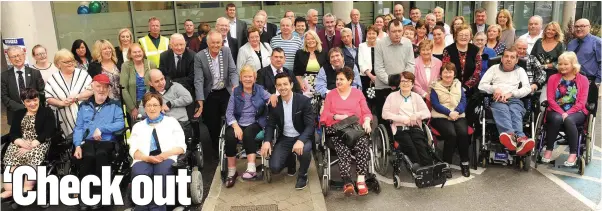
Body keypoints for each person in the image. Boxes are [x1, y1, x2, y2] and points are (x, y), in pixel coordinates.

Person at [72, 74, 125, 210]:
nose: (101, 89)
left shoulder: (115, 104)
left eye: (105, 87)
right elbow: (78, 127)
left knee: (101, 154)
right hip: (88, 141)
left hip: (107, 141)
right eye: (98, 86)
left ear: (108, 89)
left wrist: (101, 128)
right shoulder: (84, 105)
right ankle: (85, 193)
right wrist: (77, 145)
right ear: (92, 86)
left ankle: (102, 193)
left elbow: (120, 124)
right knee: (88, 156)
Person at [129, 92, 186, 211]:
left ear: (161, 106)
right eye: (149, 105)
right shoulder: (138, 126)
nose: (152, 108)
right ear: (144, 108)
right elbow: (133, 150)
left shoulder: (171, 122)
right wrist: (147, 158)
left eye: (155, 105)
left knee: (162, 175)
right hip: (144, 158)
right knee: (140, 173)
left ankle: (157, 208)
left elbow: (181, 146)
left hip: (166, 157)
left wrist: (163, 155)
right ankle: (142, 207)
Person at [320, 67, 373, 196]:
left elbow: (366, 111)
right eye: (337, 79)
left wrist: (366, 121)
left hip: (355, 129)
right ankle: (347, 181)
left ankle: (361, 180)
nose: (338, 81)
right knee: (342, 147)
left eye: (341, 79)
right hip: (336, 129)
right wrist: (337, 117)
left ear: (350, 80)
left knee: (362, 143)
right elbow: (324, 115)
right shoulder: (331, 94)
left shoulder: (358, 94)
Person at [478, 47, 535, 156]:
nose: (509, 59)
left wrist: (512, 93)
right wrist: (495, 89)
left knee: (515, 110)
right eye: (506, 56)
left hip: (514, 99)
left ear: (517, 60)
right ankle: (513, 137)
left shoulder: (520, 70)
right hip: (498, 100)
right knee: (503, 109)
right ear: (502, 58)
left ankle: (520, 138)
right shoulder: (494, 69)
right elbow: (482, 85)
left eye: (512, 57)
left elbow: (527, 88)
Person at [261, 73, 314, 189]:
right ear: (276, 87)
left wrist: (301, 140)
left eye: (285, 84)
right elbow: (270, 125)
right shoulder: (275, 103)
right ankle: (291, 162)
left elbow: (310, 125)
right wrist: (267, 141)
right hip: (285, 137)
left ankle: (303, 175)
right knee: (274, 168)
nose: (282, 87)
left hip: (301, 135)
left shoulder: (303, 101)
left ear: (291, 85)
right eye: (279, 85)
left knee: (304, 150)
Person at [223, 66, 273, 186]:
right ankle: (232, 172)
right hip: (238, 122)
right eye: (245, 76)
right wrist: (235, 126)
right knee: (229, 136)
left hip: (255, 121)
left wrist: (274, 97)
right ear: (241, 78)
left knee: (249, 133)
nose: (248, 79)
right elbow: (229, 112)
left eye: (250, 76)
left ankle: (251, 169)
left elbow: (270, 98)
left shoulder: (260, 90)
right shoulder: (235, 92)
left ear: (254, 78)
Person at [1, 88, 55, 199]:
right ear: (23, 102)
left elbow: (49, 131)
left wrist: (31, 145)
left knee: (33, 155)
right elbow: (14, 133)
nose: (32, 103)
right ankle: (10, 190)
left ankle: (27, 186)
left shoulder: (46, 112)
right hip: (21, 142)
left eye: (35, 100)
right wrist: (20, 142)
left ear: (39, 99)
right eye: (28, 101)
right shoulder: (19, 113)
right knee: (12, 155)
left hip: (39, 142)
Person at [193, 30, 239, 154]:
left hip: (226, 91)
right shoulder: (199, 56)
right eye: (213, 42)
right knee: (212, 123)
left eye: (218, 42)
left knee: (230, 119)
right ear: (207, 43)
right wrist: (200, 101)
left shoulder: (226, 51)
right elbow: (198, 80)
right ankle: (216, 149)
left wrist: (235, 85)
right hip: (210, 93)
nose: (216, 45)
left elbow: (233, 71)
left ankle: (230, 146)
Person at [541, 52, 590, 166]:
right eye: (560, 64)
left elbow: (582, 102)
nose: (562, 67)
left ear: (573, 64)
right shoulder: (553, 78)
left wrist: (568, 113)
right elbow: (551, 99)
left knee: (569, 119)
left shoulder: (583, 80)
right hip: (555, 110)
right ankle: (549, 149)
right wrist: (562, 112)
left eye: (566, 64)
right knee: (557, 118)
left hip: (576, 111)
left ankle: (573, 153)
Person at [382, 72, 432, 168]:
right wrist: (401, 118)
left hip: (414, 126)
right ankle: (417, 167)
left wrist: (416, 115)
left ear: (412, 84)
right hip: (399, 128)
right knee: (409, 145)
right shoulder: (391, 97)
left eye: (408, 81)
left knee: (421, 145)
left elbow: (427, 113)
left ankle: (428, 168)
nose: (405, 83)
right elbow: (385, 114)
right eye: (403, 81)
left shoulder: (416, 97)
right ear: (399, 83)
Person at [429, 63, 470, 177]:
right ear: (441, 74)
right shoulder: (435, 87)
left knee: (463, 133)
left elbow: (463, 101)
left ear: (454, 74)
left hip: (458, 115)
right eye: (445, 72)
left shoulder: (458, 85)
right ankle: (446, 165)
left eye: (450, 72)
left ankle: (465, 163)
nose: (448, 74)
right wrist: (449, 113)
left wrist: (456, 111)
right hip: (440, 116)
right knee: (451, 135)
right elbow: (435, 104)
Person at [374, 19, 415, 125]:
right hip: (384, 87)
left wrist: (400, 82)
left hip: (403, 86)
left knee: (402, 117)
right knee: (384, 119)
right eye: (394, 31)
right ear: (387, 32)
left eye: (399, 31)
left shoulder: (407, 43)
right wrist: (391, 82)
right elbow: (378, 68)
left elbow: (410, 65)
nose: (397, 34)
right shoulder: (379, 44)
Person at [45, 49, 93, 137]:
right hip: (64, 117)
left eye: (72, 60)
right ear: (58, 64)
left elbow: (92, 90)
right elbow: (48, 98)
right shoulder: (53, 79)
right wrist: (61, 103)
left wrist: (78, 97)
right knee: (71, 142)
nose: (70, 63)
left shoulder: (82, 74)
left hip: (85, 112)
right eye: (67, 62)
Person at [442, 24, 482, 125]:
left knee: (469, 116)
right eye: (461, 35)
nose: (463, 37)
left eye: (466, 35)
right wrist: (456, 86)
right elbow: (446, 70)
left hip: (470, 90)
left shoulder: (475, 50)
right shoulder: (448, 50)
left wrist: (465, 87)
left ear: (470, 36)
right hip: (451, 88)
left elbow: (477, 71)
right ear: (455, 36)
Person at [2, 46, 45, 125]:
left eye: (19, 55)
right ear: (9, 59)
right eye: (13, 56)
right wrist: (22, 107)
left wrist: (32, 105)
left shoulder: (35, 73)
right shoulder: (4, 76)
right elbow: (4, 97)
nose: (17, 58)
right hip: (15, 115)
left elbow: (41, 92)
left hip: (35, 113)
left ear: (24, 55)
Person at [567, 18, 600, 112]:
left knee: (589, 108)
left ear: (589, 27)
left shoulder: (597, 42)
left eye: (582, 26)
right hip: (571, 80)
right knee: (570, 105)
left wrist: (598, 81)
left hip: (590, 80)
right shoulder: (571, 43)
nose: (578, 29)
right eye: (576, 26)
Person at [120, 43, 157, 121]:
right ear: (130, 54)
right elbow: (123, 88)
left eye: (139, 51)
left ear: (143, 52)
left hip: (151, 104)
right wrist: (132, 108)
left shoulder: (151, 64)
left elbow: (157, 84)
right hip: (134, 106)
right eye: (134, 52)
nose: (137, 54)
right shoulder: (126, 66)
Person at [358, 25, 379, 106]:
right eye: (369, 33)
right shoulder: (362, 46)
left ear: (377, 34)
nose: (371, 35)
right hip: (366, 76)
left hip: (379, 76)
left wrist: (377, 76)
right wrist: (371, 76)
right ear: (366, 34)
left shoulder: (381, 44)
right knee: (368, 99)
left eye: (373, 33)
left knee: (379, 99)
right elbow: (361, 62)